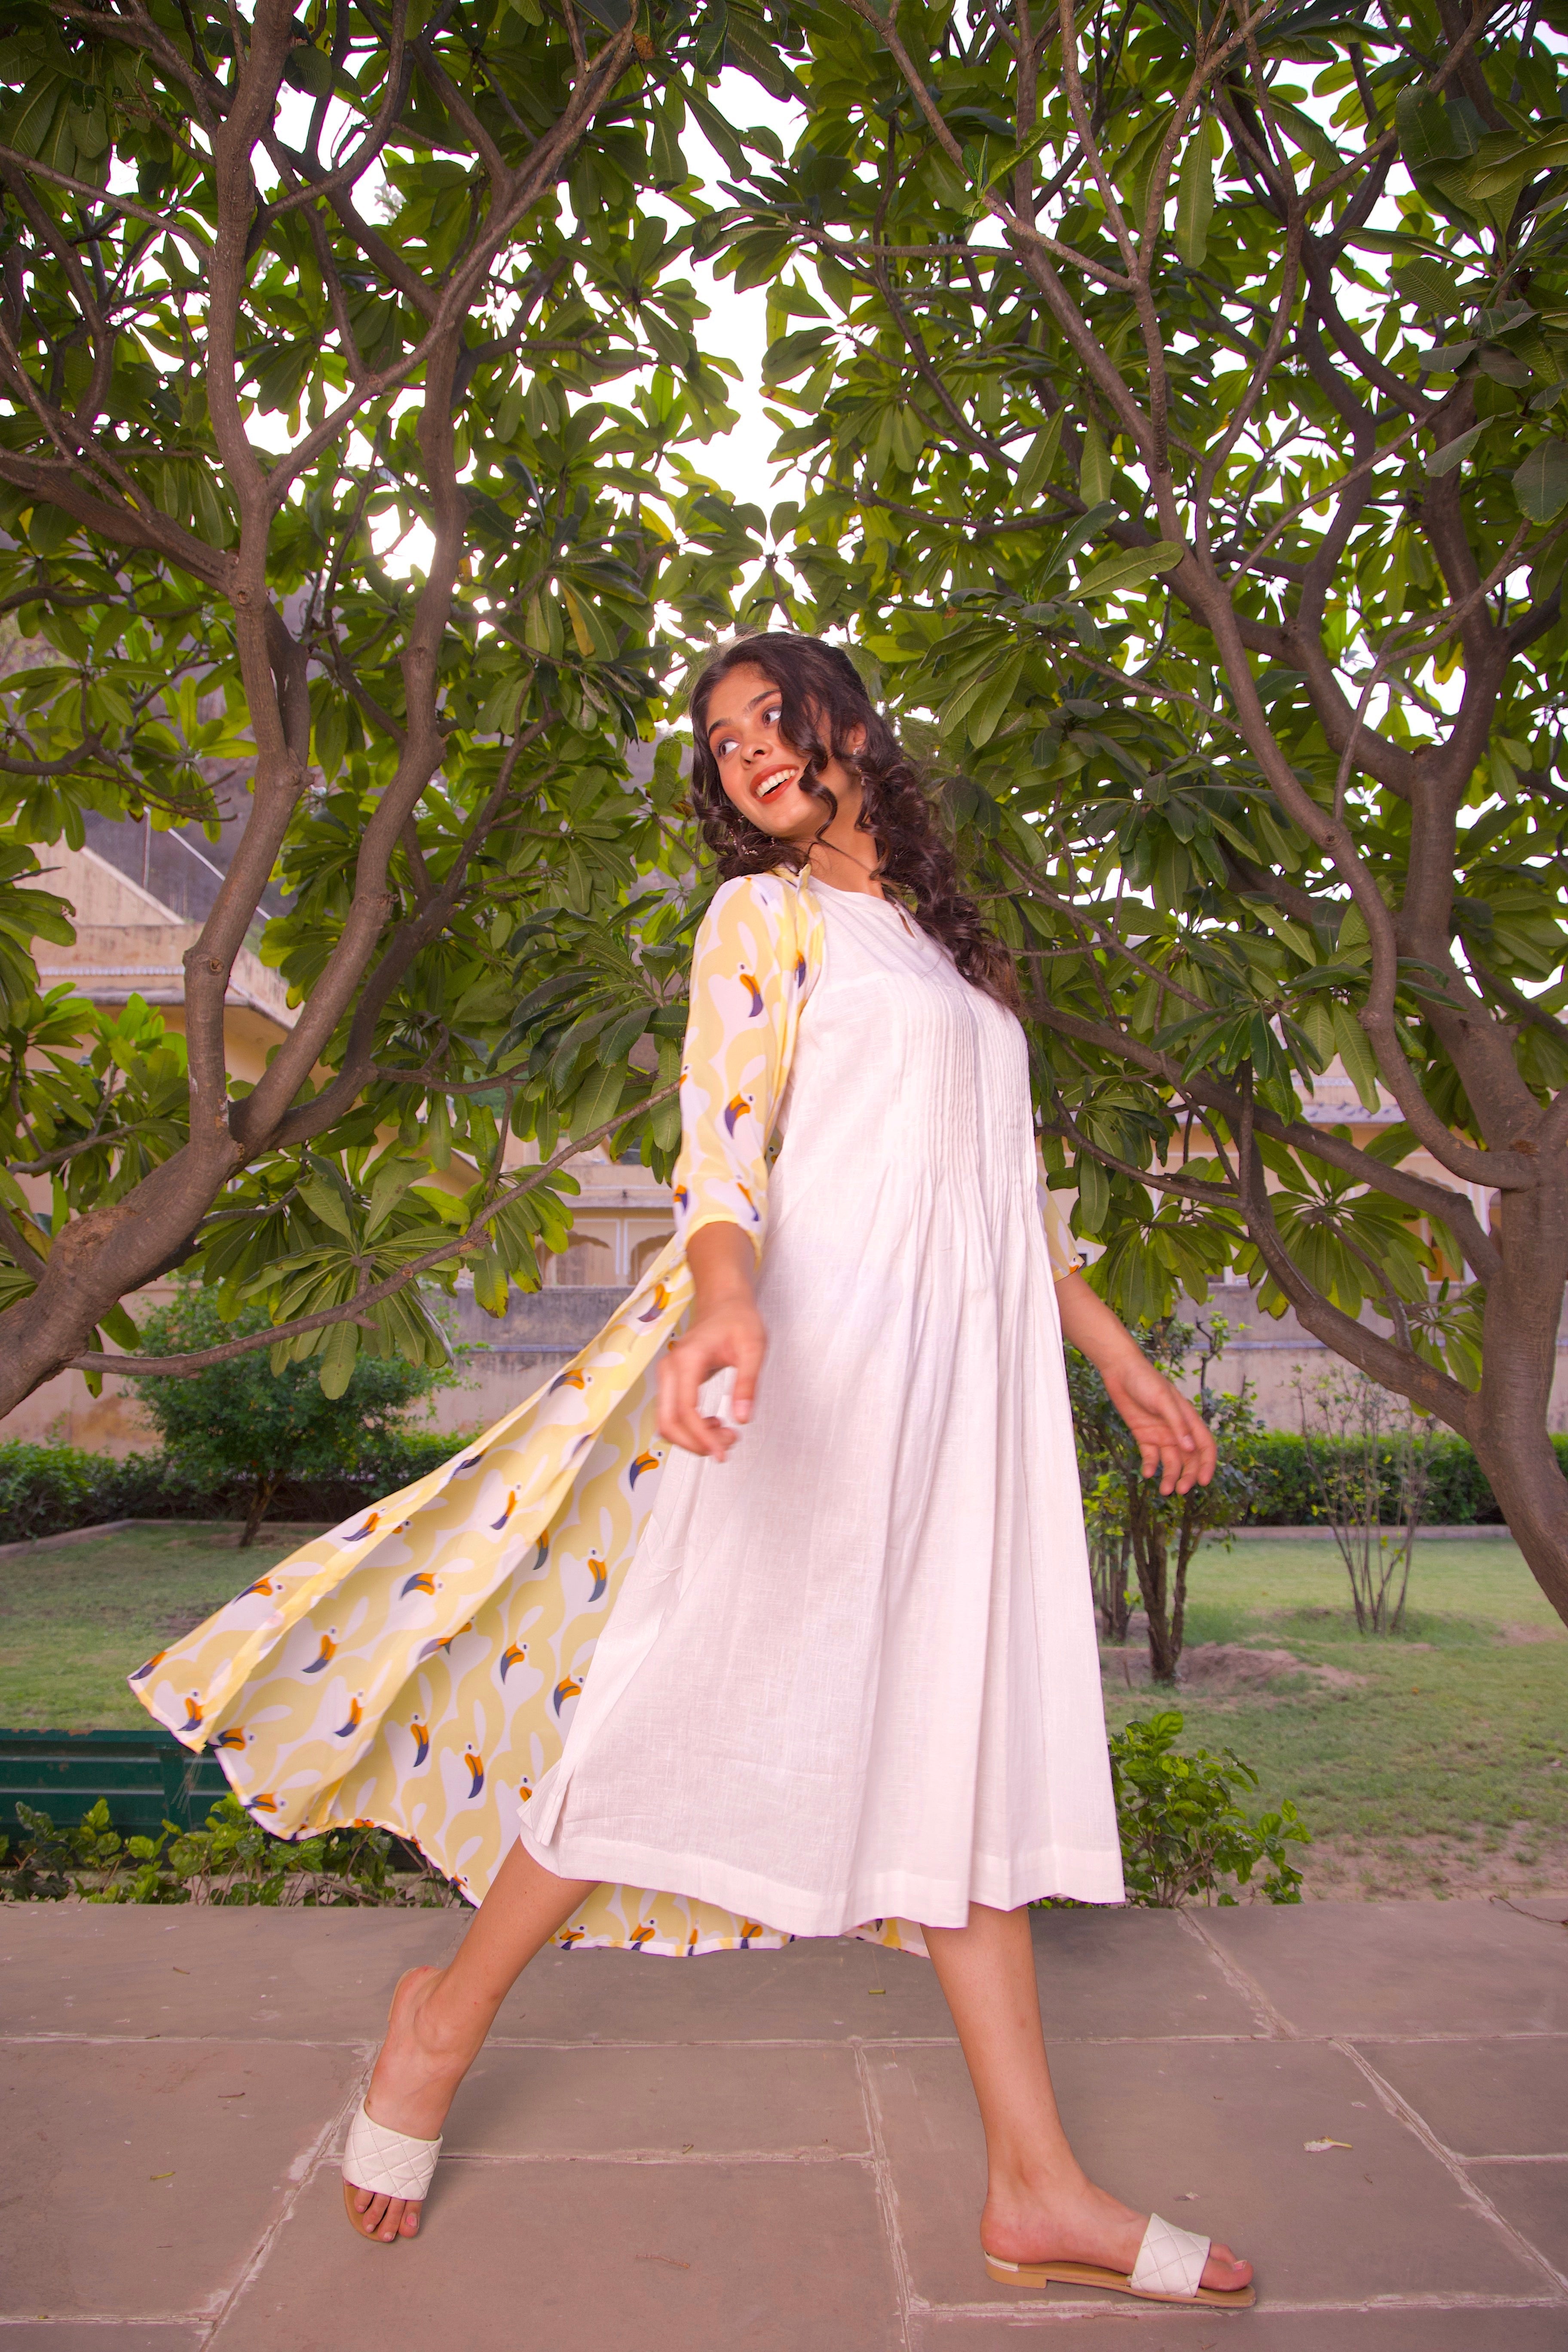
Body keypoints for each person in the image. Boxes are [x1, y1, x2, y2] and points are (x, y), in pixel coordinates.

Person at [137, 634, 1253, 2310]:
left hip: (968, 1400)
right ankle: (439, 2022)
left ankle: (1034, 2186)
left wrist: (1123, 1362)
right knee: (669, 1700)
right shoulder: (764, 921)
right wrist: (724, 1305)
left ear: (852, 725)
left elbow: (1011, 1210)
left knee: (960, 1742)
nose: (745, 752)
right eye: (719, 739)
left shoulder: (956, 963)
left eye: (769, 718)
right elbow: (718, 1155)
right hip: (816, 1374)